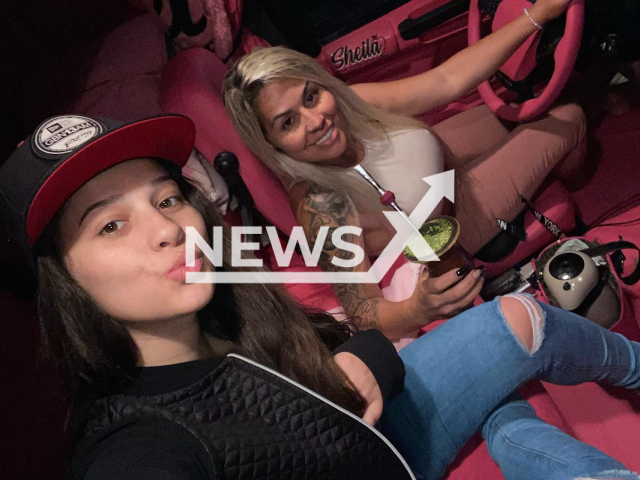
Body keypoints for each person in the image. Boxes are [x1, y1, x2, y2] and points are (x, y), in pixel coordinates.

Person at [1, 113, 639, 480]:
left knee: (511, 381)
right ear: (65, 281)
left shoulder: (234, 305)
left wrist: (369, 357)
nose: (168, 229)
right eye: (110, 225)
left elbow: (344, 337)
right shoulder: (139, 448)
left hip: (380, 431)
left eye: (166, 199)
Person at [222, 0, 588, 340]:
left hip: (442, 157)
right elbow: (362, 312)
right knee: (571, 117)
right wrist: (419, 308)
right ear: (271, 144)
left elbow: (446, 81)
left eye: (311, 96)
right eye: (288, 123)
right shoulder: (320, 203)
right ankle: (588, 200)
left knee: (530, 98)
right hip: (453, 219)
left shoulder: (353, 102)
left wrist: (537, 15)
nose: (316, 120)